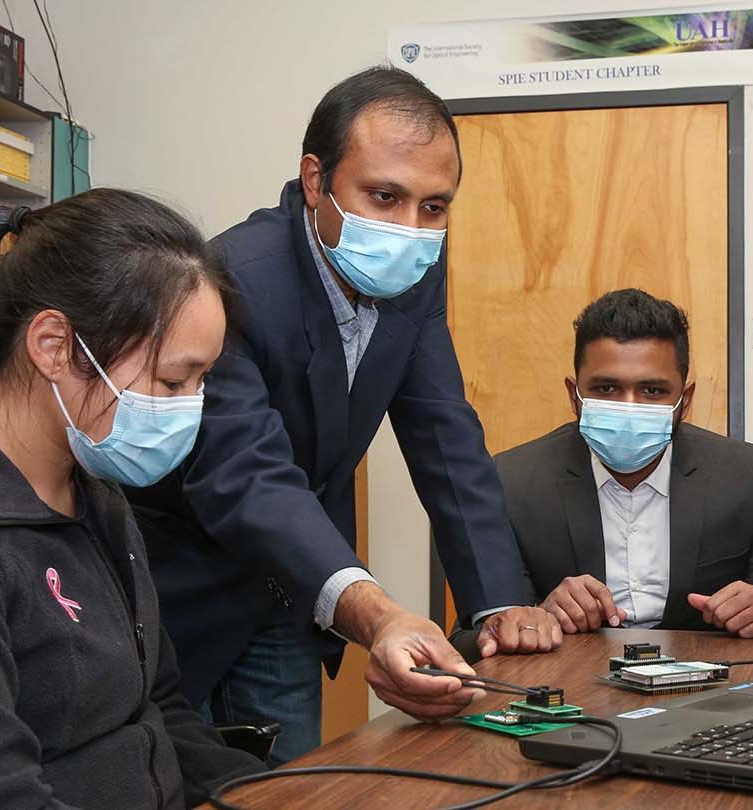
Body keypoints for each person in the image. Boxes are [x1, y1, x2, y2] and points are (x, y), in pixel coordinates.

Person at [127, 66, 557, 765]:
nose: (411, 230)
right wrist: (380, 613)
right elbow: (246, 474)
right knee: (174, 778)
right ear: (315, 180)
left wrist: (499, 603)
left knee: (292, 783)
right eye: (384, 196)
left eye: (435, 207)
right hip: (185, 595)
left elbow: (442, 429)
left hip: (295, 596)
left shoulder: (417, 267)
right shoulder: (234, 279)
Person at [0, 192, 265, 809]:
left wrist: (277, 796)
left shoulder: (99, 501)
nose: (190, 407)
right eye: (172, 381)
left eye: (201, 383)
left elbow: (158, 709)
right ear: (54, 345)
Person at [491, 290, 753, 639]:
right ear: (574, 396)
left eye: (652, 390)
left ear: (686, 400)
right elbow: (481, 630)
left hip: (711, 681)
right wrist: (539, 614)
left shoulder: (751, 478)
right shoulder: (511, 482)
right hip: (569, 682)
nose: (629, 406)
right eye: (606, 388)